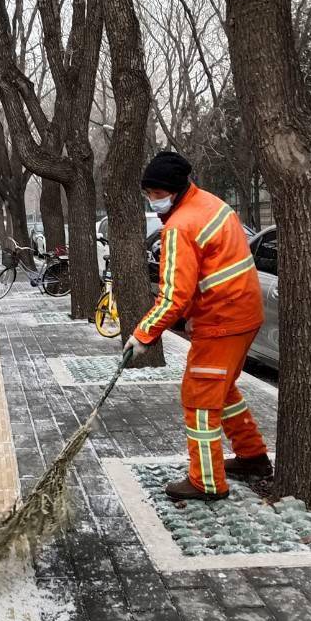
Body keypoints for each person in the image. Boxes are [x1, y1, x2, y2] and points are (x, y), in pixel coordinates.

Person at [124, 151, 271, 500]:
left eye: (156, 195)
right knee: (223, 388)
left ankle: (206, 481)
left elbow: (175, 296)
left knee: (199, 398)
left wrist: (143, 334)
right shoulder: (213, 204)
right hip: (244, 314)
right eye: (148, 194)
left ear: (174, 191)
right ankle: (252, 455)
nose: (152, 200)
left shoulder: (180, 227)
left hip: (221, 320)